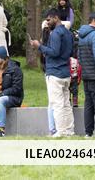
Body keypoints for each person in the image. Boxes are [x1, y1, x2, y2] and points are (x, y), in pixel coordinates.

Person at [30, 9, 75, 137]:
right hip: (66, 73)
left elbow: (54, 52)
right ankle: (69, 130)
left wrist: (39, 46)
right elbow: (71, 52)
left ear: (56, 17)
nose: (47, 23)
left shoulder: (55, 33)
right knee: (66, 104)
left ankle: (60, 131)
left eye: (48, 20)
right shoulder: (68, 33)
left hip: (55, 73)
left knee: (58, 104)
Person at [0, 45, 23, 137]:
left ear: (3, 58)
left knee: (0, 101)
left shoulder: (15, 69)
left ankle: (1, 130)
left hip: (13, 98)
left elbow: (17, 89)